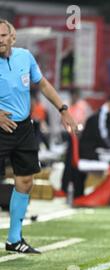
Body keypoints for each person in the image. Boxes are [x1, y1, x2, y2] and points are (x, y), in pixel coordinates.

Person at [0, 19, 77, 253]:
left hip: (23, 128)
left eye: (3, 35)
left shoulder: (25, 56)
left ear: (12, 37)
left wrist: (63, 109)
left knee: (25, 180)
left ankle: (14, 239)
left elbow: (43, 84)